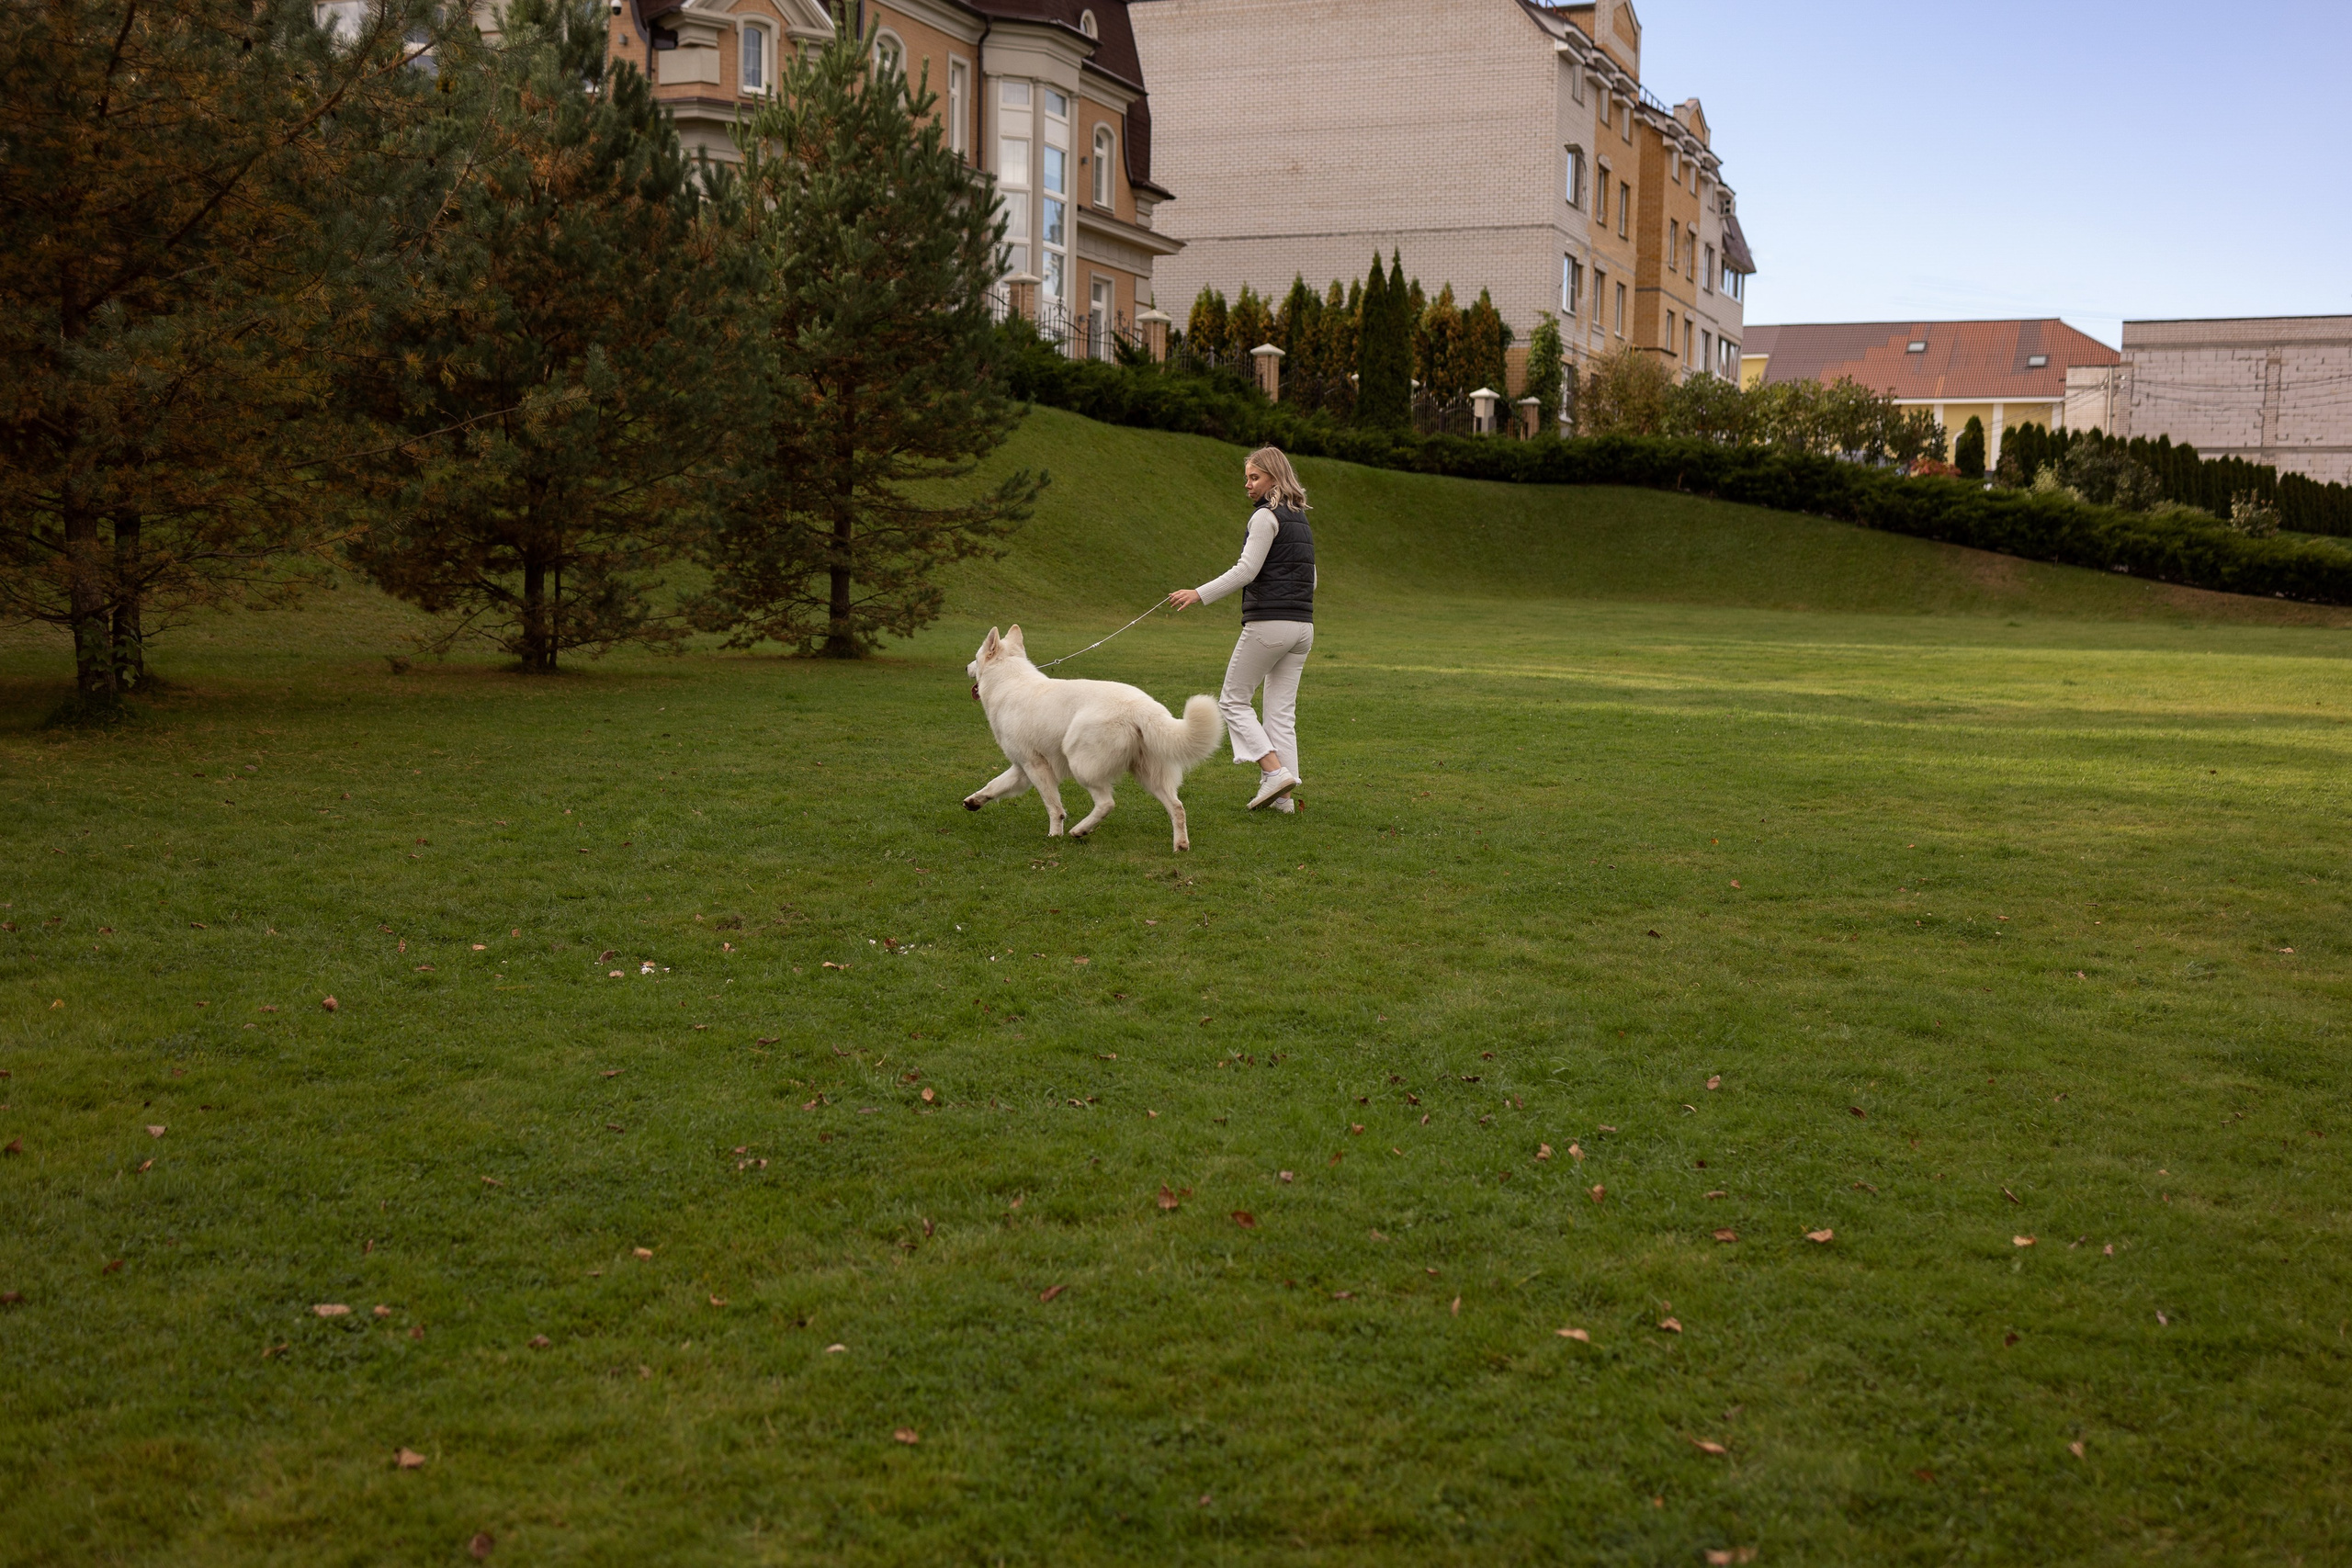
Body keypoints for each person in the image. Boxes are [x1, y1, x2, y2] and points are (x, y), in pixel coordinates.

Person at [1167, 446, 1316, 813]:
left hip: (1269, 626)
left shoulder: (1266, 518)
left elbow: (1246, 571)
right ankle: (1283, 800)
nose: (1247, 485)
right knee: (1280, 712)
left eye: (1255, 477)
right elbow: (1311, 580)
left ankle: (1273, 772)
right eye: (1247, 477)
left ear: (1273, 478)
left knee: (1233, 700)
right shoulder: (1300, 520)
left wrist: (1198, 593)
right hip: (1303, 629)